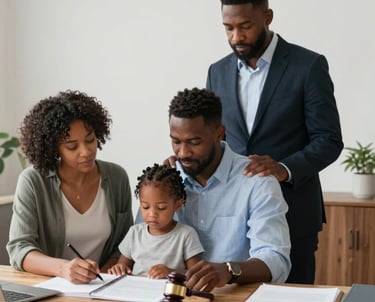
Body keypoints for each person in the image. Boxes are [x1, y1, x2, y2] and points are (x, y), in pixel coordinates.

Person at [205, 0, 344, 284]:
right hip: (231, 222)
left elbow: (329, 139)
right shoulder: (216, 72)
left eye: (245, 26)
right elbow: (213, 140)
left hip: (294, 216)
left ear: (267, 17)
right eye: (228, 28)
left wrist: (283, 168)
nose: (236, 37)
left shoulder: (308, 66)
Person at [166, 87, 291, 292]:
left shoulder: (257, 182)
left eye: (194, 142)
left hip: (234, 296)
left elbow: (276, 260)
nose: (183, 153)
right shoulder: (165, 180)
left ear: (219, 133)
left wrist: (229, 270)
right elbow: (143, 242)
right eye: (176, 141)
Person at [7, 90, 134, 284]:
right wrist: (64, 269)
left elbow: (125, 245)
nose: (86, 152)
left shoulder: (116, 178)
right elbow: (19, 248)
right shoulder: (33, 181)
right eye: (72, 146)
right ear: (53, 148)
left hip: (102, 287)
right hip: (49, 288)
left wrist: (101, 279)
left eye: (90, 139)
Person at [108, 163, 204, 279]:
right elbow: (122, 265)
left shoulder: (186, 235)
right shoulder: (135, 233)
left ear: (177, 205)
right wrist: (119, 268)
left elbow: (195, 274)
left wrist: (170, 272)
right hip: (136, 291)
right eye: (145, 207)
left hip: (169, 292)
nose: (152, 214)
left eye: (161, 208)